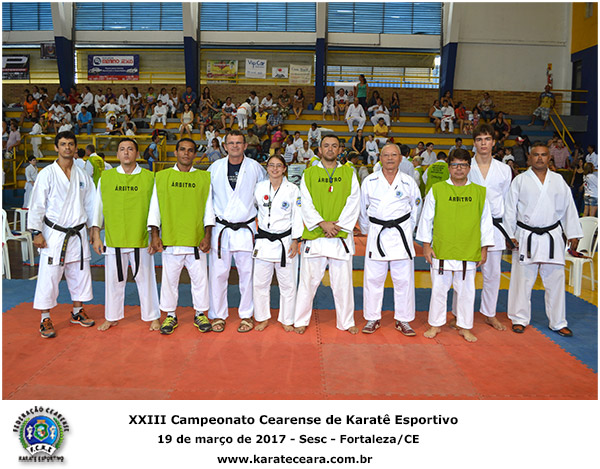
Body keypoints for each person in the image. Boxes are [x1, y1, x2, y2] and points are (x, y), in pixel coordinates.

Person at [504, 141, 583, 337]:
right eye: (536, 154)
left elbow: (568, 208)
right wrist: (510, 235)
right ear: (529, 158)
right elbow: (510, 209)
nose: (540, 158)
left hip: (551, 237)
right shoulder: (520, 180)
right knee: (522, 280)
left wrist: (573, 232)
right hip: (526, 236)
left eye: (544, 155)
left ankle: (558, 322)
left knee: (555, 280)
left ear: (550, 158)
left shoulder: (558, 180)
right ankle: (519, 318)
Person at [417, 148, 494, 343]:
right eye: (455, 165)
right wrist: (426, 245)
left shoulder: (479, 192)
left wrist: (484, 249)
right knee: (438, 290)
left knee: (467, 292)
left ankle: (465, 326)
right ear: (449, 167)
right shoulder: (437, 189)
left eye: (463, 165)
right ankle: (435, 324)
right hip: (442, 248)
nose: (459, 169)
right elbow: (426, 219)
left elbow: (486, 222)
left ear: (469, 168)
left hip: (468, 248)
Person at [27, 131, 95, 338]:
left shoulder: (82, 175)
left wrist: (94, 230)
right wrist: (36, 232)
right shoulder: (47, 174)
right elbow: (37, 205)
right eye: (63, 144)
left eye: (71, 144)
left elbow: (91, 205)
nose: (67, 147)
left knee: (79, 273)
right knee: (49, 277)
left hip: (78, 233)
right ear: (56, 147)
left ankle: (77, 311)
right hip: (54, 235)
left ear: (75, 148)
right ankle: (45, 318)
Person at [90, 138, 160, 332]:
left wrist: (154, 235)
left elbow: (155, 208)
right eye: (122, 149)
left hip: (140, 237)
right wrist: (96, 235)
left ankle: (153, 316)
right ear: (117, 154)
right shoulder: (107, 178)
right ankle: (111, 317)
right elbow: (98, 207)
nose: (126, 152)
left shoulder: (149, 177)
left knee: (146, 280)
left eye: (130, 149)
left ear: (137, 153)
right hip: (114, 237)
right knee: (113, 281)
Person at [294, 135, 361, 335]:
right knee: (307, 282)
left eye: (334, 146)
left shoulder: (349, 173)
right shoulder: (309, 173)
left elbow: (354, 201)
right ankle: (300, 320)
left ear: (340, 150)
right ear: (320, 150)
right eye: (326, 146)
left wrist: (338, 226)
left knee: (343, 284)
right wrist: (322, 223)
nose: (330, 149)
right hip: (316, 234)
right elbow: (305, 202)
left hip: (340, 236)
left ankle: (346, 321)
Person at [148, 139, 215, 335]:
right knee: (169, 280)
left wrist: (208, 235)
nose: (186, 153)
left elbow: (209, 209)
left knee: (200, 280)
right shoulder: (162, 177)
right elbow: (155, 207)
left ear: (195, 154)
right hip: (171, 237)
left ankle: (200, 313)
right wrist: (154, 234)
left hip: (196, 239)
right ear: (175, 152)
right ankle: (170, 315)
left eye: (190, 150)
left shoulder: (204, 178)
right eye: (183, 150)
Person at [359, 143, 422, 335]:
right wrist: (367, 230)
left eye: (394, 155)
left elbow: (416, 207)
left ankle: (403, 319)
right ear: (380, 158)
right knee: (373, 279)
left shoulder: (408, 182)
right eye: (386, 155)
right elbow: (362, 209)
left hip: (400, 235)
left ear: (400, 158)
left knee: (404, 280)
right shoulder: (370, 181)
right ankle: (372, 317)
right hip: (377, 233)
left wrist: (408, 228)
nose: (390, 158)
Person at [208, 130, 267, 333]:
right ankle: (218, 314)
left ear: (245, 145)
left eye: (238, 142)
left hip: (246, 228)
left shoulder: (255, 168)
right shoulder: (215, 168)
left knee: (247, 274)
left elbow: (263, 197)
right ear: (225, 146)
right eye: (231, 143)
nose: (235, 146)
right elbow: (207, 200)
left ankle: (246, 315)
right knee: (218, 274)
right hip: (221, 229)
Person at [468, 123, 513, 331]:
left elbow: (508, 203)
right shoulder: (465, 166)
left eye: (487, 139)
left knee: (493, 274)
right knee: (464, 273)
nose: (483, 143)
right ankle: (460, 313)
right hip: (469, 225)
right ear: (474, 143)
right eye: (479, 139)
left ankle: (489, 313)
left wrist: (510, 233)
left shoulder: (504, 170)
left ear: (494, 142)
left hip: (495, 226)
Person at [253, 154, 303, 332]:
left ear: (284, 169)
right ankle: (262, 318)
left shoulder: (293, 190)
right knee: (260, 284)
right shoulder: (259, 187)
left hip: (285, 241)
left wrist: (296, 240)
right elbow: (253, 208)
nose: (275, 169)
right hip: (263, 242)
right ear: (267, 168)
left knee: (288, 284)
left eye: (278, 165)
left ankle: (287, 319)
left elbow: (298, 216)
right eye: (271, 165)